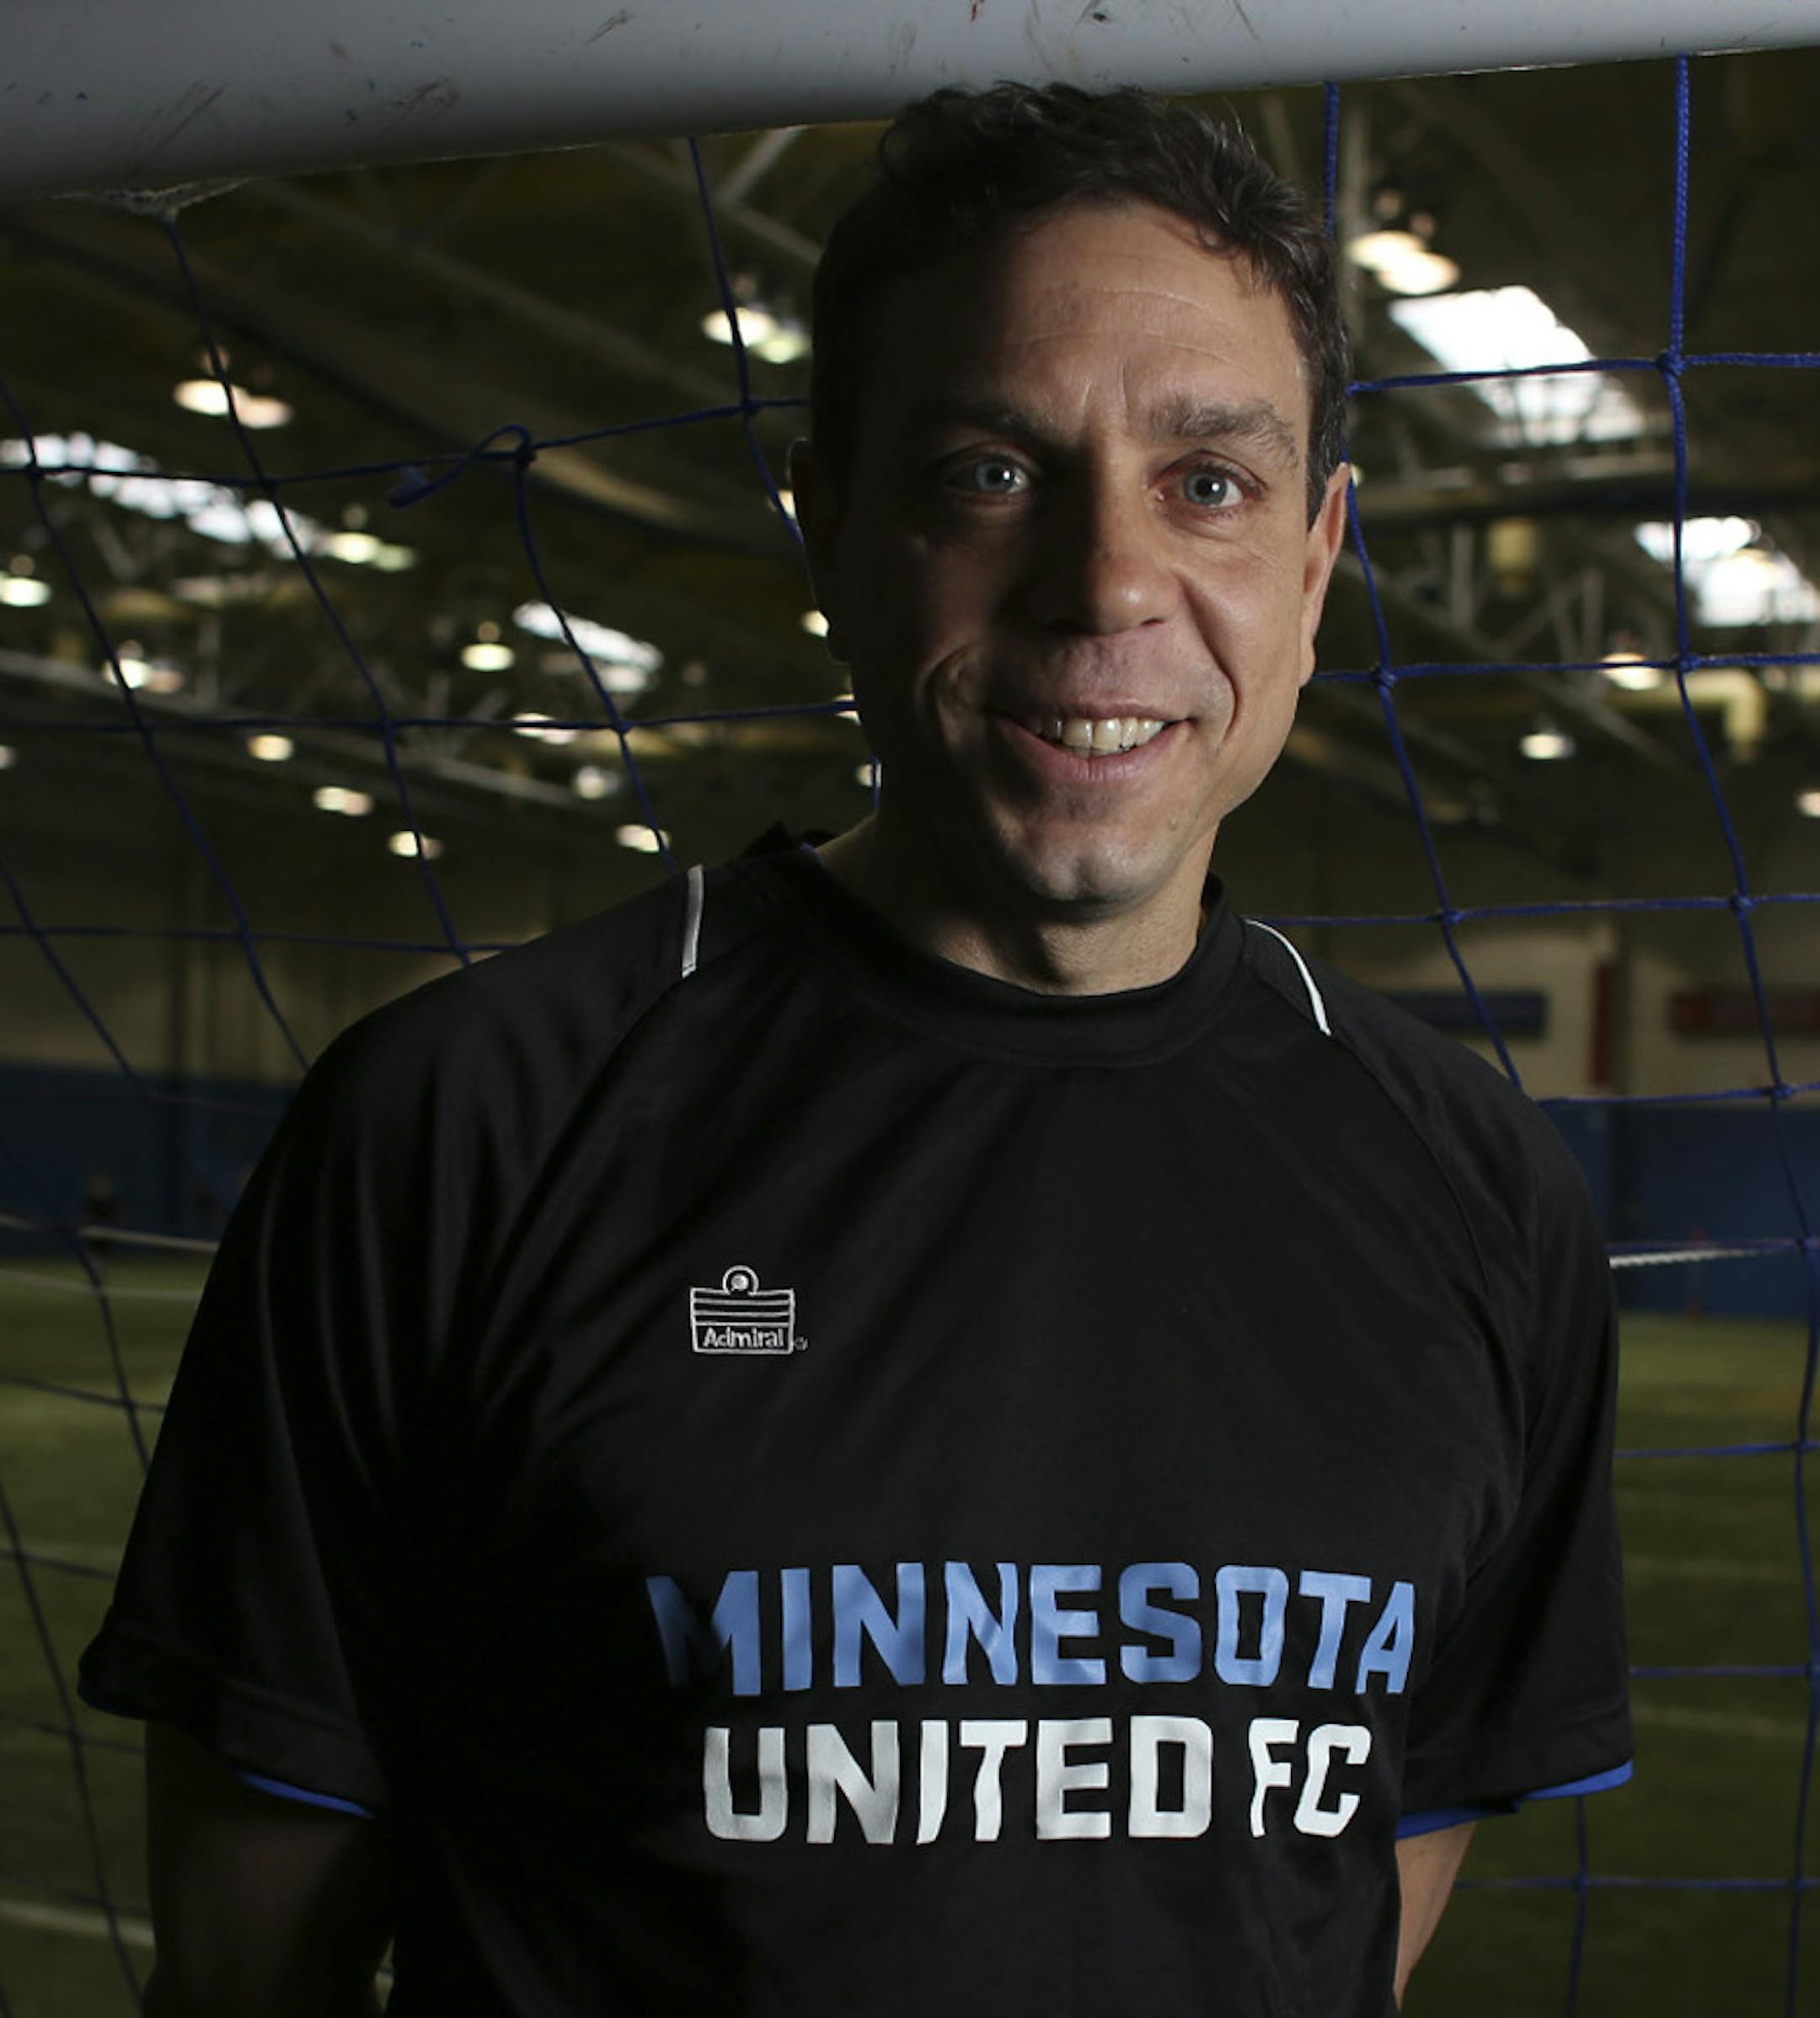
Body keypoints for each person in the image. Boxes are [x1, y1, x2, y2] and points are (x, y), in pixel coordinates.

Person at [80, 83, 1630, 2017]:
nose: (1108, 585)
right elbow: (249, 1972)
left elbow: (1357, 1885)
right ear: (830, 518)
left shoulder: (1475, 1192)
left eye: (1209, 483)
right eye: (993, 469)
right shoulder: (463, 1130)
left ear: (1316, 562)